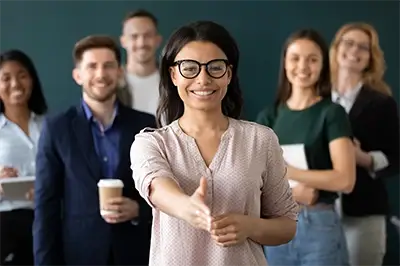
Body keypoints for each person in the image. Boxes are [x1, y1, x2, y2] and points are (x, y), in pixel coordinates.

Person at [130, 21, 298, 266]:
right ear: (173, 74)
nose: (203, 78)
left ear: (228, 74)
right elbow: (156, 188)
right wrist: (187, 207)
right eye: (190, 68)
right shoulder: (151, 142)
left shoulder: (260, 139)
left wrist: (250, 226)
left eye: (215, 67)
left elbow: (286, 225)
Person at [33, 35, 156, 266]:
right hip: (78, 254)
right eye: (92, 66)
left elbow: (162, 193)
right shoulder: (57, 128)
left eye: (108, 66)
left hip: (137, 253)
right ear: (77, 75)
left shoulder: (145, 124)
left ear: (119, 73)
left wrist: (138, 210)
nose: (101, 74)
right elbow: (45, 205)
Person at [257, 29, 356, 266]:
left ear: (322, 65)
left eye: (312, 59)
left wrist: (289, 172)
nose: (303, 66)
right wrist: (292, 194)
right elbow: (254, 180)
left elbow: (345, 179)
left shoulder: (331, 113)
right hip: (276, 225)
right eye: (295, 58)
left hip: (319, 225)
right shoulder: (268, 117)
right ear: (284, 63)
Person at [330, 22, 400, 266]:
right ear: (336, 49)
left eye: (363, 47)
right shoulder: (315, 98)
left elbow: (395, 159)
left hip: (364, 213)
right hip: (317, 212)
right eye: (348, 43)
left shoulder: (382, 103)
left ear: (370, 58)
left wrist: (364, 158)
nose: (354, 51)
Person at [0, 49, 48, 266]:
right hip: (6, 223)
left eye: (22, 75)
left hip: (46, 218)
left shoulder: (50, 126)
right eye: (5, 78)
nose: (15, 84)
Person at [118, 9, 162, 115]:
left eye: (148, 36)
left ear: (158, 40)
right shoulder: (112, 84)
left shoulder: (173, 81)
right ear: (123, 41)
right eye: (134, 36)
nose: (141, 43)